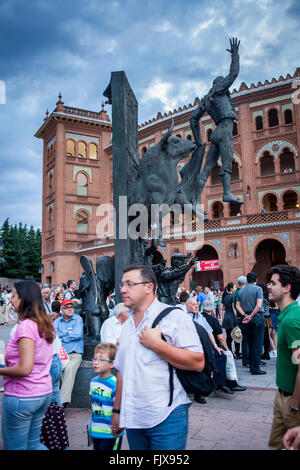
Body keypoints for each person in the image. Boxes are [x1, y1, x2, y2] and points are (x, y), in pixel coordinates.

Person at [111, 265, 204, 450]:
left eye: (130, 284)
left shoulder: (173, 317)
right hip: (134, 417)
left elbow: (198, 362)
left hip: (167, 416)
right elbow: (121, 371)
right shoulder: (127, 325)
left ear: (149, 287)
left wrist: (158, 346)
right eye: (122, 284)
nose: (122, 289)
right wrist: (117, 411)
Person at [0, 280, 54, 450]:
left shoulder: (26, 327)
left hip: (22, 395)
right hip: (42, 392)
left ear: (24, 299)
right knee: (33, 445)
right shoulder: (44, 324)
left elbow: (24, 368)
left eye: (14, 296)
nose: (11, 300)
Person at [189, 37, 243, 206]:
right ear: (220, 84)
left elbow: (193, 118)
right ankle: (227, 193)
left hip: (216, 133)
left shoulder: (206, 99)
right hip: (225, 130)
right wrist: (235, 55)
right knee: (227, 162)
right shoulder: (219, 88)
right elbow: (234, 74)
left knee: (206, 169)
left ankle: (195, 200)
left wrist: (199, 141)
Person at [267, 265, 300, 450]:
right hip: (282, 396)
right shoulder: (286, 316)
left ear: (286, 288)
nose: (268, 286)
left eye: (273, 283)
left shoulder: (291, 321)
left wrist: (294, 404)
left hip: (292, 402)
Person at [202, 300, 246, 393]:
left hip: (202, 346)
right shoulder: (213, 320)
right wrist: (228, 349)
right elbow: (221, 337)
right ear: (212, 309)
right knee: (224, 357)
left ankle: (225, 383)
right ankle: (229, 383)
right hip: (212, 347)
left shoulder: (199, 317)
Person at [89, 342, 123, 450]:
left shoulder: (115, 384)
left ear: (112, 364)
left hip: (110, 433)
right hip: (96, 431)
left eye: (101, 359)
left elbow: (121, 407)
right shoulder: (93, 382)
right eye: (94, 359)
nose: (96, 362)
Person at [54, 298, 84, 407]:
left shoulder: (78, 319)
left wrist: (63, 336)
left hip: (75, 353)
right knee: (54, 370)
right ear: (62, 309)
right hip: (61, 354)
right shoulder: (57, 321)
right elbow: (54, 336)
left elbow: (77, 335)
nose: (70, 309)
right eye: (67, 307)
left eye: (71, 307)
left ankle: (61, 403)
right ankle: (51, 401)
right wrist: (67, 334)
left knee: (69, 369)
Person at [236, 272, 265, 375]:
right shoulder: (258, 289)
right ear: (256, 280)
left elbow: (237, 305)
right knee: (257, 344)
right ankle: (255, 368)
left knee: (249, 342)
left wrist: (245, 315)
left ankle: (251, 365)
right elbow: (258, 305)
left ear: (247, 280)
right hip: (257, 317)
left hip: (246, 318)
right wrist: (251, 316)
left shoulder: (241, 291)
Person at [232, 276, 247, 359]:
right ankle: (244, 356)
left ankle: (239, 352)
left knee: (239, 336)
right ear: (245, 283)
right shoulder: (241, 292)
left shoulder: (236, 292)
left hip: (238, 316)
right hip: (241, 316)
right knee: (244, 337)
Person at [221, 283, 238, 353]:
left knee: (229, 337)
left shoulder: (225, 297)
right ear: (231, 289)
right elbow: (234, 308)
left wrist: (227, 310)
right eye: (234, 287)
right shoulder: (233, 296)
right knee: (236, 336)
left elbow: (222, 307)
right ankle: (237, 352)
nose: (236, 288)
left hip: (226, 317)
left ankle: (230, 351)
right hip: (232, 318)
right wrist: (237, 317)